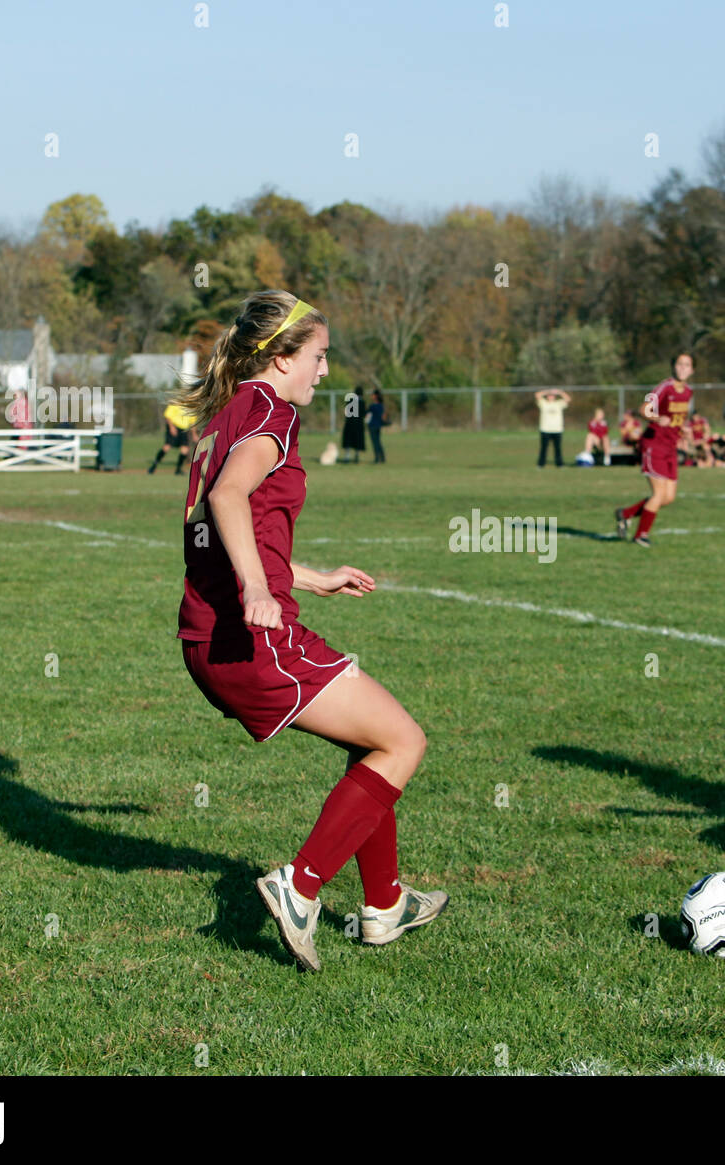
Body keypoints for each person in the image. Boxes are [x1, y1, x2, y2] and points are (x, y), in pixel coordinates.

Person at [173, 289, 446, 972]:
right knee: (405, 741)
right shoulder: (270, 412)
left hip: (211, 636)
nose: (325, 372)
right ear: (283, 355)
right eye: (319, 357)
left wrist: (307, 575)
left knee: (376, 739)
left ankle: (384, 904)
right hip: (251, 635)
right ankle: (300, 886)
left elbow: (220, 528)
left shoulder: (231, 412)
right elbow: (228, 498)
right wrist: (262, 589)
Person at [614, 353, 694, 546]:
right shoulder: (664, 387)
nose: (683, 368)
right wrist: (657, 418)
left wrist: (682, 430)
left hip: (670, 447)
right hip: (654, 444)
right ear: (673, 367)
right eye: (679, 364)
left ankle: (626, 514)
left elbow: (676, 417)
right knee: (658, 495)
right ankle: (641, 535)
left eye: (687, 365)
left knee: (668, 498)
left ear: (692, 370)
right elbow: (643, 409)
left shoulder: (688, 392)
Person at [150, 401, 199, 475]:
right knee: (167, 447)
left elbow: (192, 422)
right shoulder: (176, 403)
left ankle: (178, 470)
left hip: (184, 429)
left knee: (185, 450)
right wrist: (171, 427)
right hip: (174, 427)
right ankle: (153, 466)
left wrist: (194, 434)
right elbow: (168, 416)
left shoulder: (191, 406)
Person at [535, 388, 570, 467]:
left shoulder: (559, 403)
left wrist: (560, 392)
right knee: (544, 448)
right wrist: (547, 391)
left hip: (557, 430)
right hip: (545, 429)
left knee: (558, 448)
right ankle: (541, 464)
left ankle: (559, 464)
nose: (551, 397)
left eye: (552, 395)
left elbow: (568, 399)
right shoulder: (543, 403)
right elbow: (537, 395)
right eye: (549, 396)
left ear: (555, 397)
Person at [341, 386, 366, 463]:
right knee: (357, 440)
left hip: (350, 424)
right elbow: (364, 414)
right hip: (358, 425)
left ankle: (347, 457)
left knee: (348, 440)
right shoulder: (362, 402)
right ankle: (357, 455)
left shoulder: (350, 401)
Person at [366, 389, 388, 464]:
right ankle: (382, 457)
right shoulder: (381, 406)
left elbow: (367, 415)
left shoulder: (372, 406)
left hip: (372, 426)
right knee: (378, 442)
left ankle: (377, 458)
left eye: (372, 395)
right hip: (378, 426)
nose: (371, 396)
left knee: (375, 443)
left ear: (375, 396)